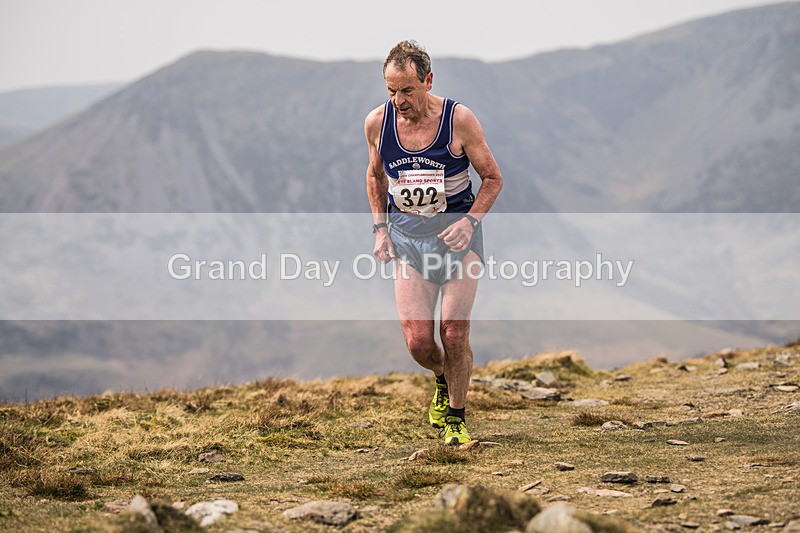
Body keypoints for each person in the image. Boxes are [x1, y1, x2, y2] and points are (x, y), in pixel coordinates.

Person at [364, 40, 503, 445]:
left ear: (428, 80)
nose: (398, 100)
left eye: (407, 90)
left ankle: (456, 420)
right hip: (408, 240)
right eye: (391, 90)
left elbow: (493, 178)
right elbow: (375, 176)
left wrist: (471, 222)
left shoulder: (459, 120)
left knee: (454, 331)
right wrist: (380, 229)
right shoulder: (377, 123)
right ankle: (442, 378)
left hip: (458, 238)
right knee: (419, 342)